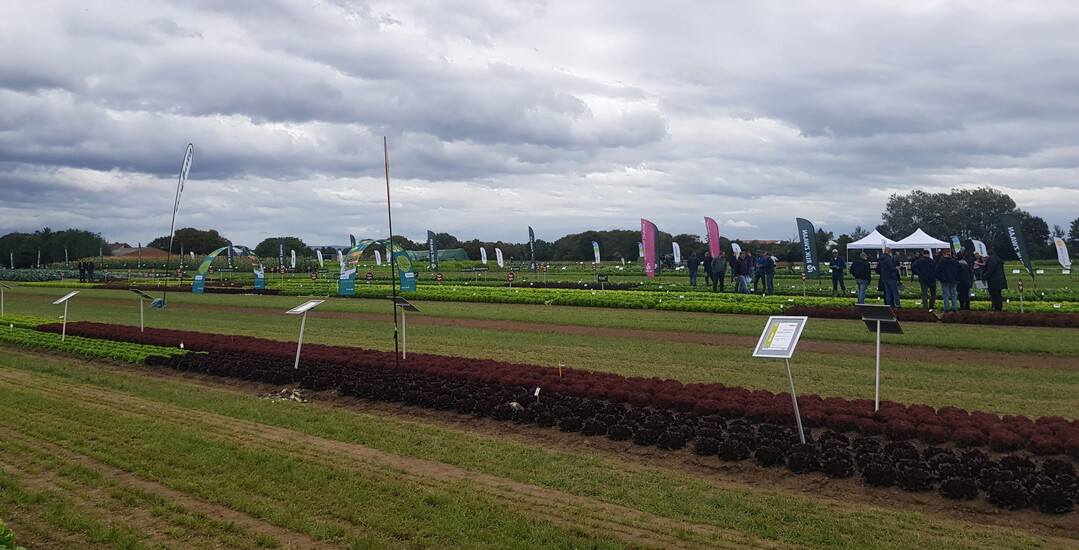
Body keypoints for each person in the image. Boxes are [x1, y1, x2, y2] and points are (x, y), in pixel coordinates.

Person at [935, 248, 961, 313]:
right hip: (954, 280)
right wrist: (957, 278)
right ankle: (955, 307)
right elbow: (960, 269)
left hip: (944, 280)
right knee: (954, 294)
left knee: (945, 294)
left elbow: (937, 271)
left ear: (943, 254)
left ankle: (947, 308)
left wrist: (940, 278)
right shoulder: (955, 261)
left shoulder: (941, 262)